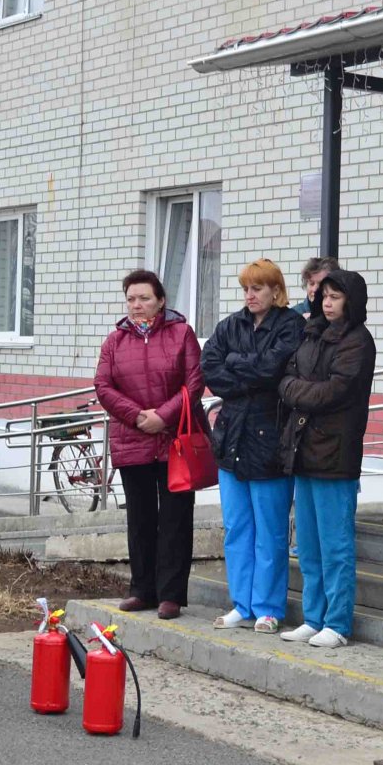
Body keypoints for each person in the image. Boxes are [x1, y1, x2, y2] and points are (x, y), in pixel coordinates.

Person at [200, 259, 306, 633]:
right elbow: (210, 368)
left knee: (271, 532)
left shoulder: (291, 325)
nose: (250, 295)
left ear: (275, 291)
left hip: (270, 441)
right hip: (232, 440)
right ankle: (241, 603)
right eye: (246, 288)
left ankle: (267, 607)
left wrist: (236, 365)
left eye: (257, 288)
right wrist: (245, 371)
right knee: (238, 528)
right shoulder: (231, 324)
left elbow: (272, 371)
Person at [94, 269, 205, 619]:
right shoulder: (115, 341)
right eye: (131, 299)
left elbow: (194, 382)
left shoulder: (181, 333)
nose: (137, 305)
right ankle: (142, 589)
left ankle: (171, 594)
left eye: (144, 298)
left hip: (174, 439)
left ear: (160, 300)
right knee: (140, 518)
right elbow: (103, 386)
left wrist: (163, 416)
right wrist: (139, 416)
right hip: (133, 438)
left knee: (175, 517)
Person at [277, 269, 377, 648]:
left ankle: (337, 622)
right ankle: (313, 616)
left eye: (336, 296)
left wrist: (298, 391)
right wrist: (300, 390)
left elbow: (335, 391)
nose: (329, 301)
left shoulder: (358, 341)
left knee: (335, 545)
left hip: (336, 453)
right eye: (325, 295)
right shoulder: (311, 333)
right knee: (309, 545)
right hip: (303, 449)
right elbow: (285, 377)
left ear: (350, 300)